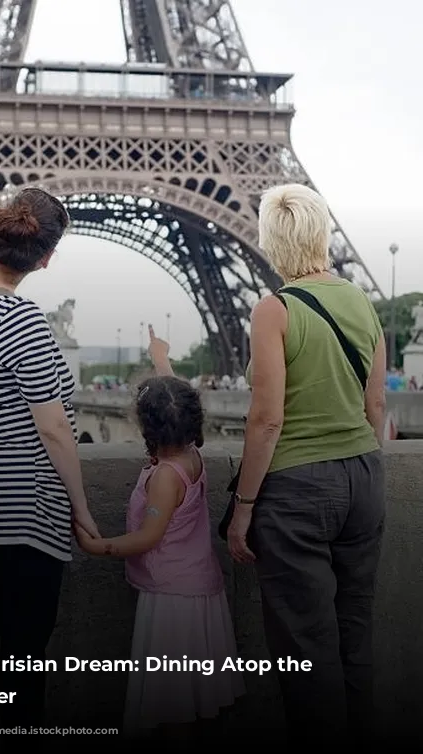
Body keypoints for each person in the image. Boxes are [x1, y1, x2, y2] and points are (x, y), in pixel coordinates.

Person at [0, 187, 100, 751]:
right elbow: (54, 429)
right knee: (24, 651)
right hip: (23, 505)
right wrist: (81, 510)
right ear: (46, 256)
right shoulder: (22, 318)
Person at [227, 184, 386, 750]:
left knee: (305, 645)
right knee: (354, 632)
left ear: (273, 242)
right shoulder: (362, 302)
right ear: (322, 232)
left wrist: (243, 509)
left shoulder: (275, 308)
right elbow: (376, 407)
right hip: (363, 477)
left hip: (297, 490)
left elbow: (267, 420)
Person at [75, 325, 244, 741]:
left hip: (172, 599)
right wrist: (161, 359)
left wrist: (100, 546)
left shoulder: (165, 477)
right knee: (190, 699)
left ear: (146, 427)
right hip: (198, 587)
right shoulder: (192, 456)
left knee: (173, 705)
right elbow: (178, 400)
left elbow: (149, 537)